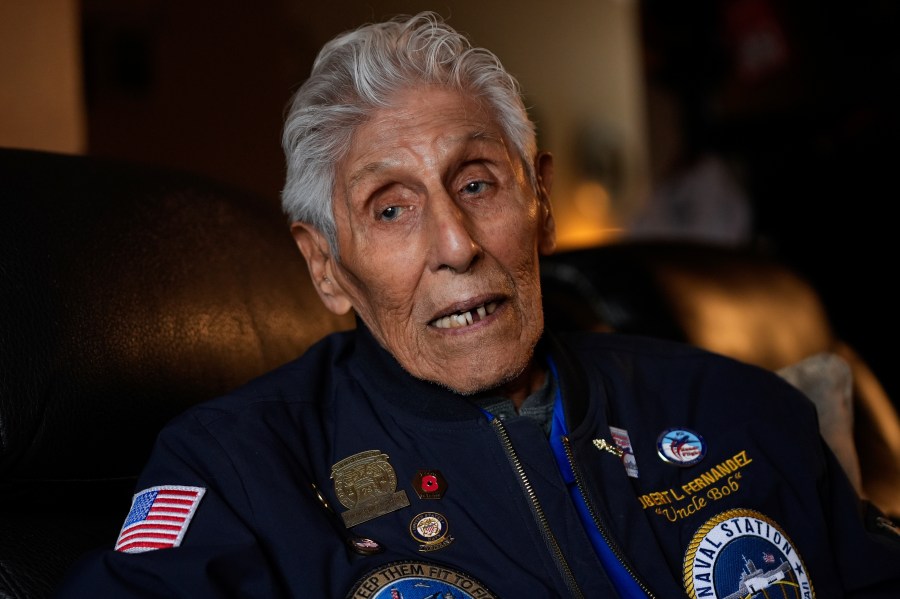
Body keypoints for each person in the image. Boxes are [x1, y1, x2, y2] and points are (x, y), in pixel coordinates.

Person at [55, 11, 899, 598]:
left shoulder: (734, 404)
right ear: (325, 265)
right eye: (391, 208)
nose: (456, 243)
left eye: (477, 183)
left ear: (542, 203)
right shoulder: (238, 468)